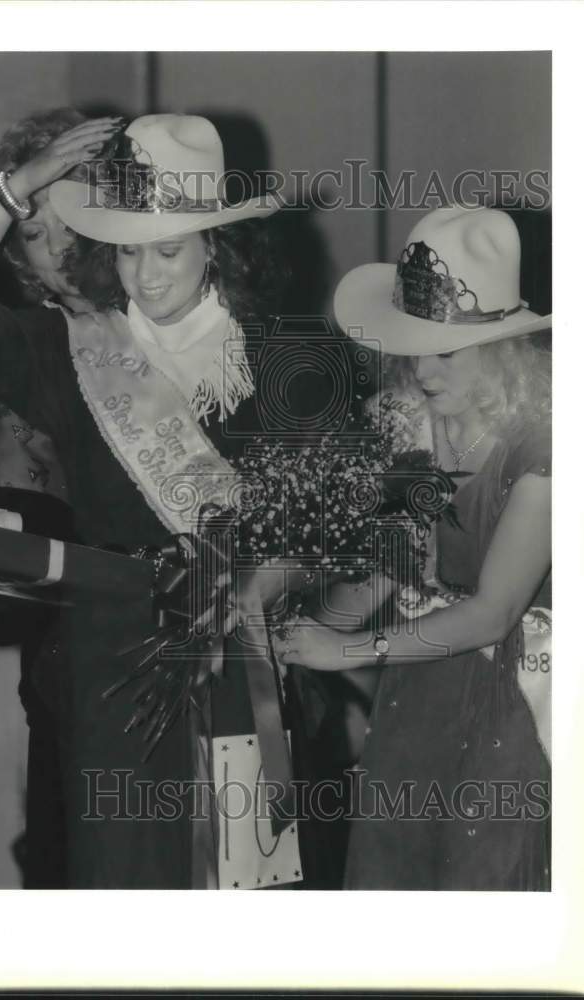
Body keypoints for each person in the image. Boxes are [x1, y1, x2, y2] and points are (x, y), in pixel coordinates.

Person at [0, 112, 333, 888]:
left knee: (242, 903)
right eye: (127, 252)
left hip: (251, 664)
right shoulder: (69, 350)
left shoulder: (289, 359)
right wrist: (10, 192)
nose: (146, 277)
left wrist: (255, 586)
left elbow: (339, 529)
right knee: (127, 892)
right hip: (113, 677)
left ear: (218, 247)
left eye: (167, 251)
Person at [273, 206, 552, 890]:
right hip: (421, 685)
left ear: (502, 345)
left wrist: (345, 650)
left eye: (446, 351)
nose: (423, 370)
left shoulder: (547, 447)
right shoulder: (417, 427)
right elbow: (391, 570)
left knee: (482, 882)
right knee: (397, 880)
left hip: (520, 692)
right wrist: (299, 627)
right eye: (413, 346)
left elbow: (492, 612)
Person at [0, 107, 102, 887]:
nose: (60, 256)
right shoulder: (36, 356)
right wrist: (14, 190)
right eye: (35, 234)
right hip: (84, 676)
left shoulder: (200, 332)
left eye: (74, 225)